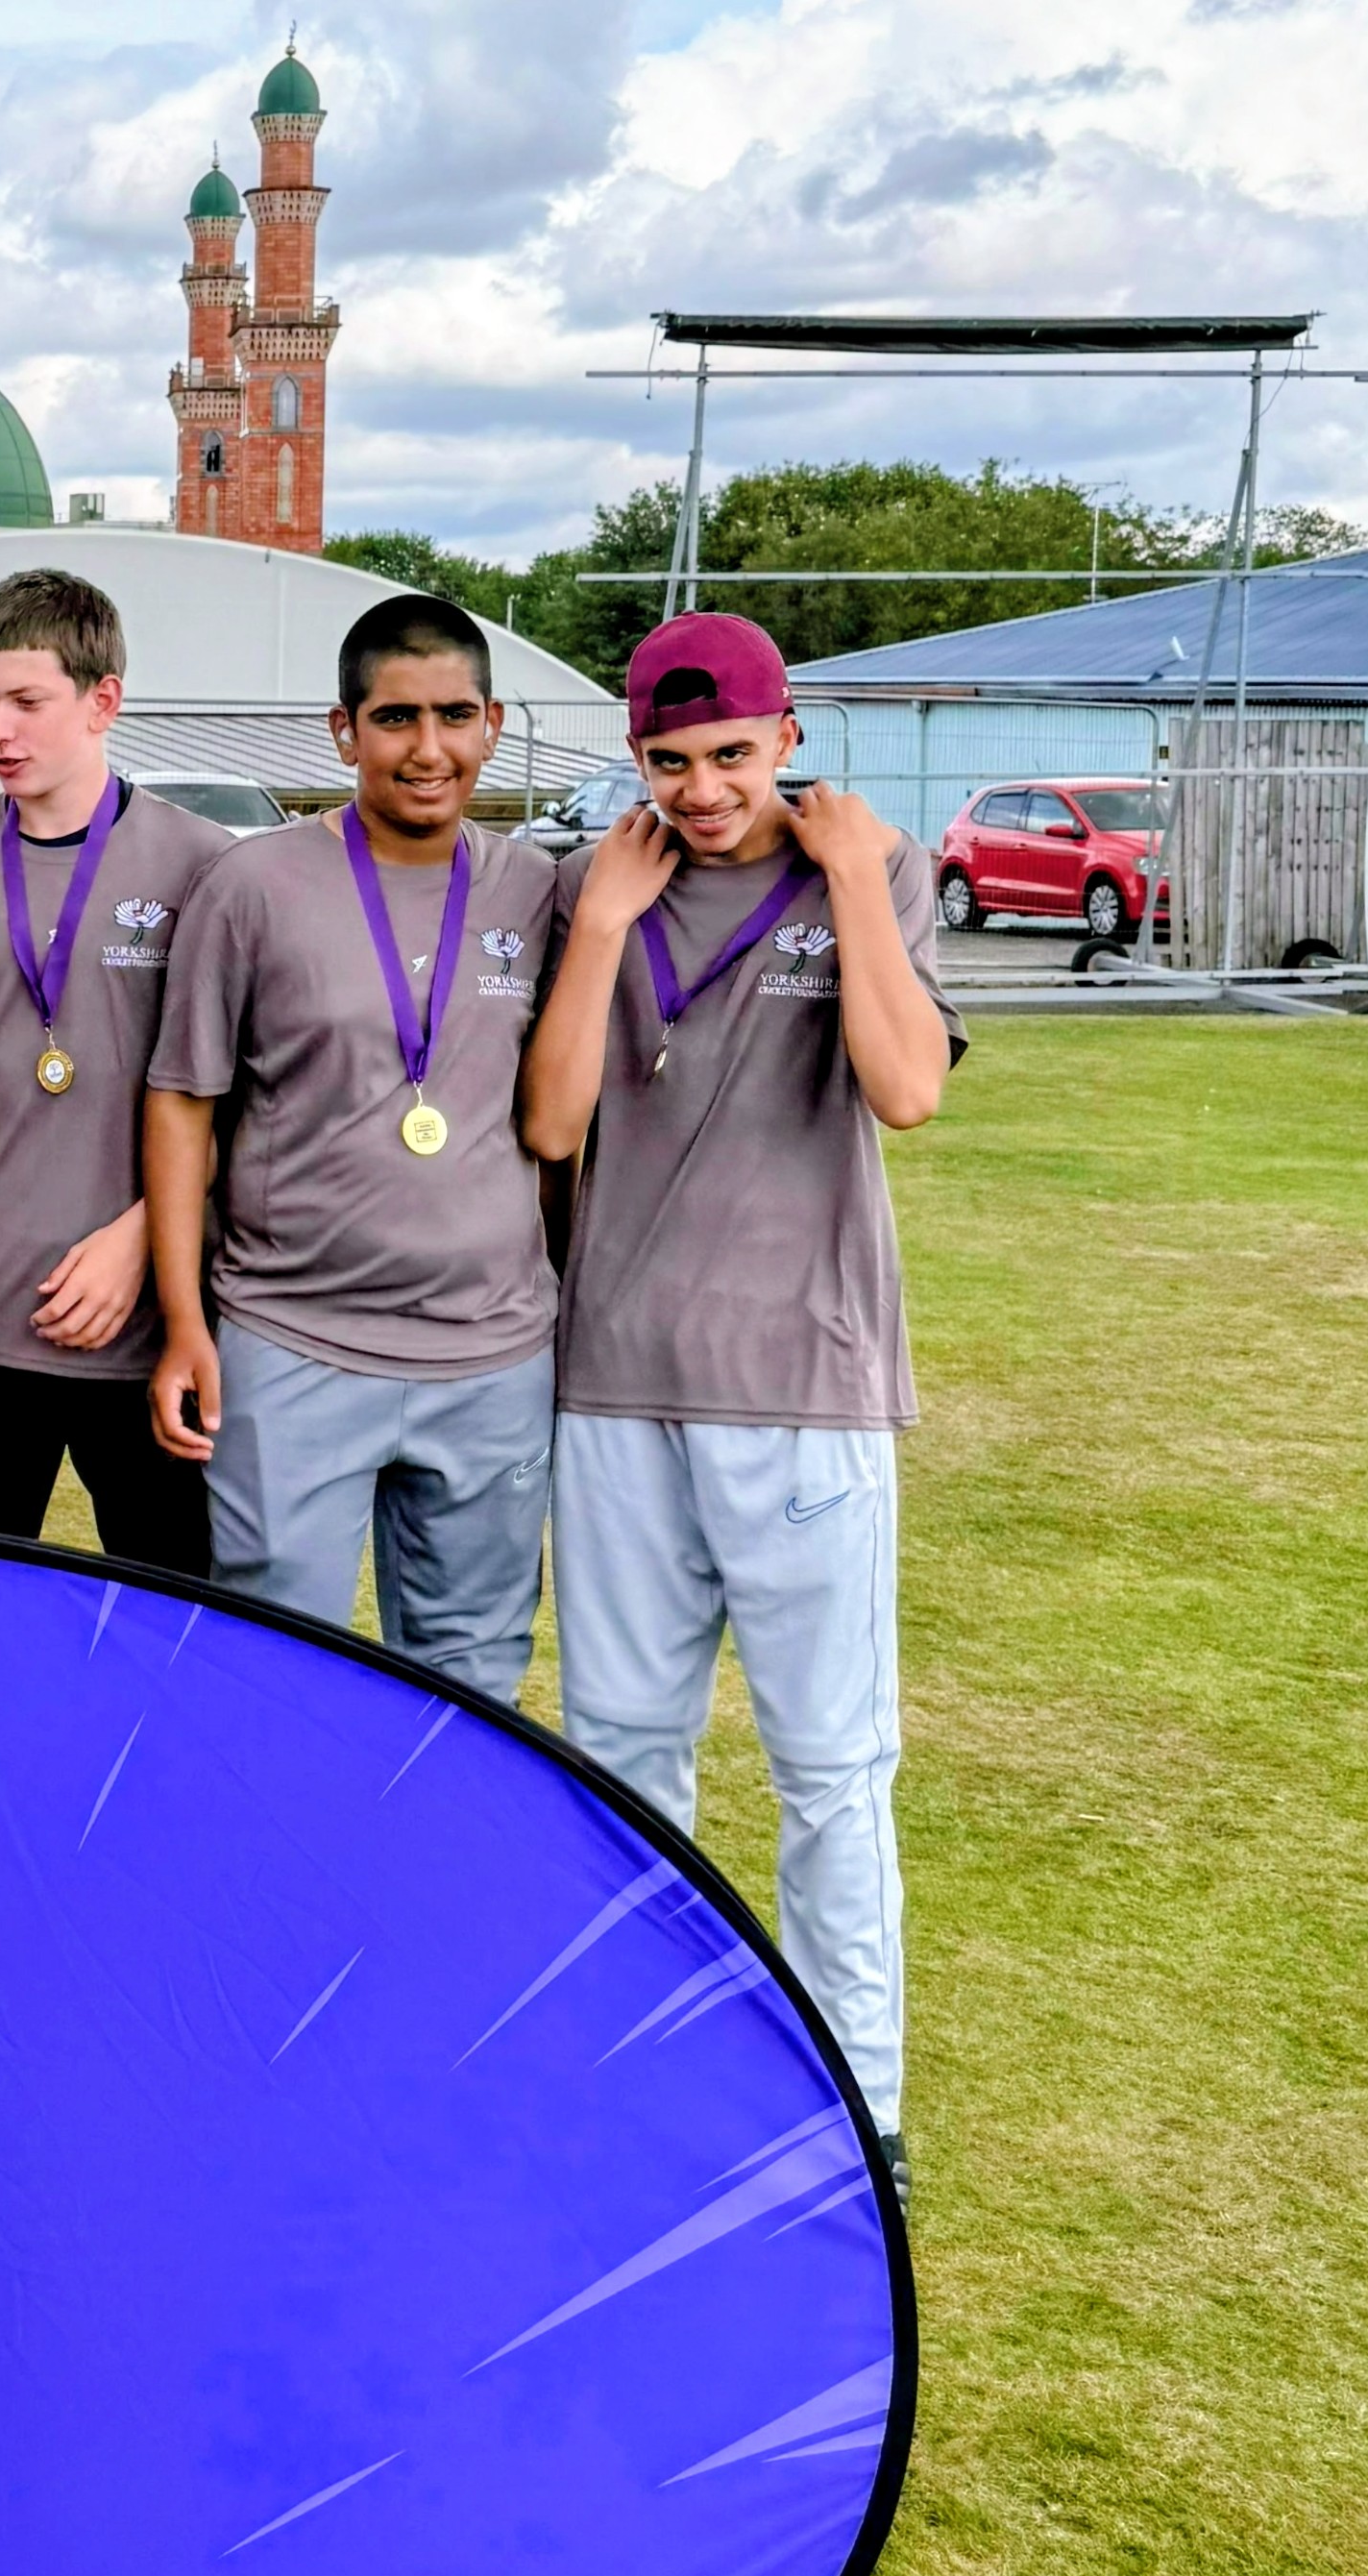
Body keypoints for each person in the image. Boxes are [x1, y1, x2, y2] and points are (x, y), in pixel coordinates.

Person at [518, 608, 957, 2185]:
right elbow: (552, 1123)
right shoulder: (599, 886)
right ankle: (645, 2068)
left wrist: (842, 881)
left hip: (802, 1387)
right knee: (624, 1755)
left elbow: (904, 1090)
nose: (700, 788)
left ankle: (862, 2097)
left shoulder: (871, 870)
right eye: (667, 758)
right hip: (618, 1386)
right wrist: (593, 928)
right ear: (632, 755)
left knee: (830, 1769)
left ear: (782, 741)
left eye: (727, 754)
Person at [144, 594, 562, 1694]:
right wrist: (187, 1322)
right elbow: (184, 1102)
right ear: (344, 730)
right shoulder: (252, 886)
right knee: (272, 1670)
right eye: (395, 719)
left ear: (494, 722)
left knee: (475, 1683)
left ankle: (436, 1873)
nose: (428, 750)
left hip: (493, 1355)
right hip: (292, 1343)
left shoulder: (536, 890)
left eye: (454, 716)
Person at [0, 568, 220, 1573]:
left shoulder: (203, 867)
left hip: (149, 1327)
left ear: (101, 698)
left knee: (169, 1632)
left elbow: (244, 1101)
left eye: (27, 702)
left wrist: (143, 1237)